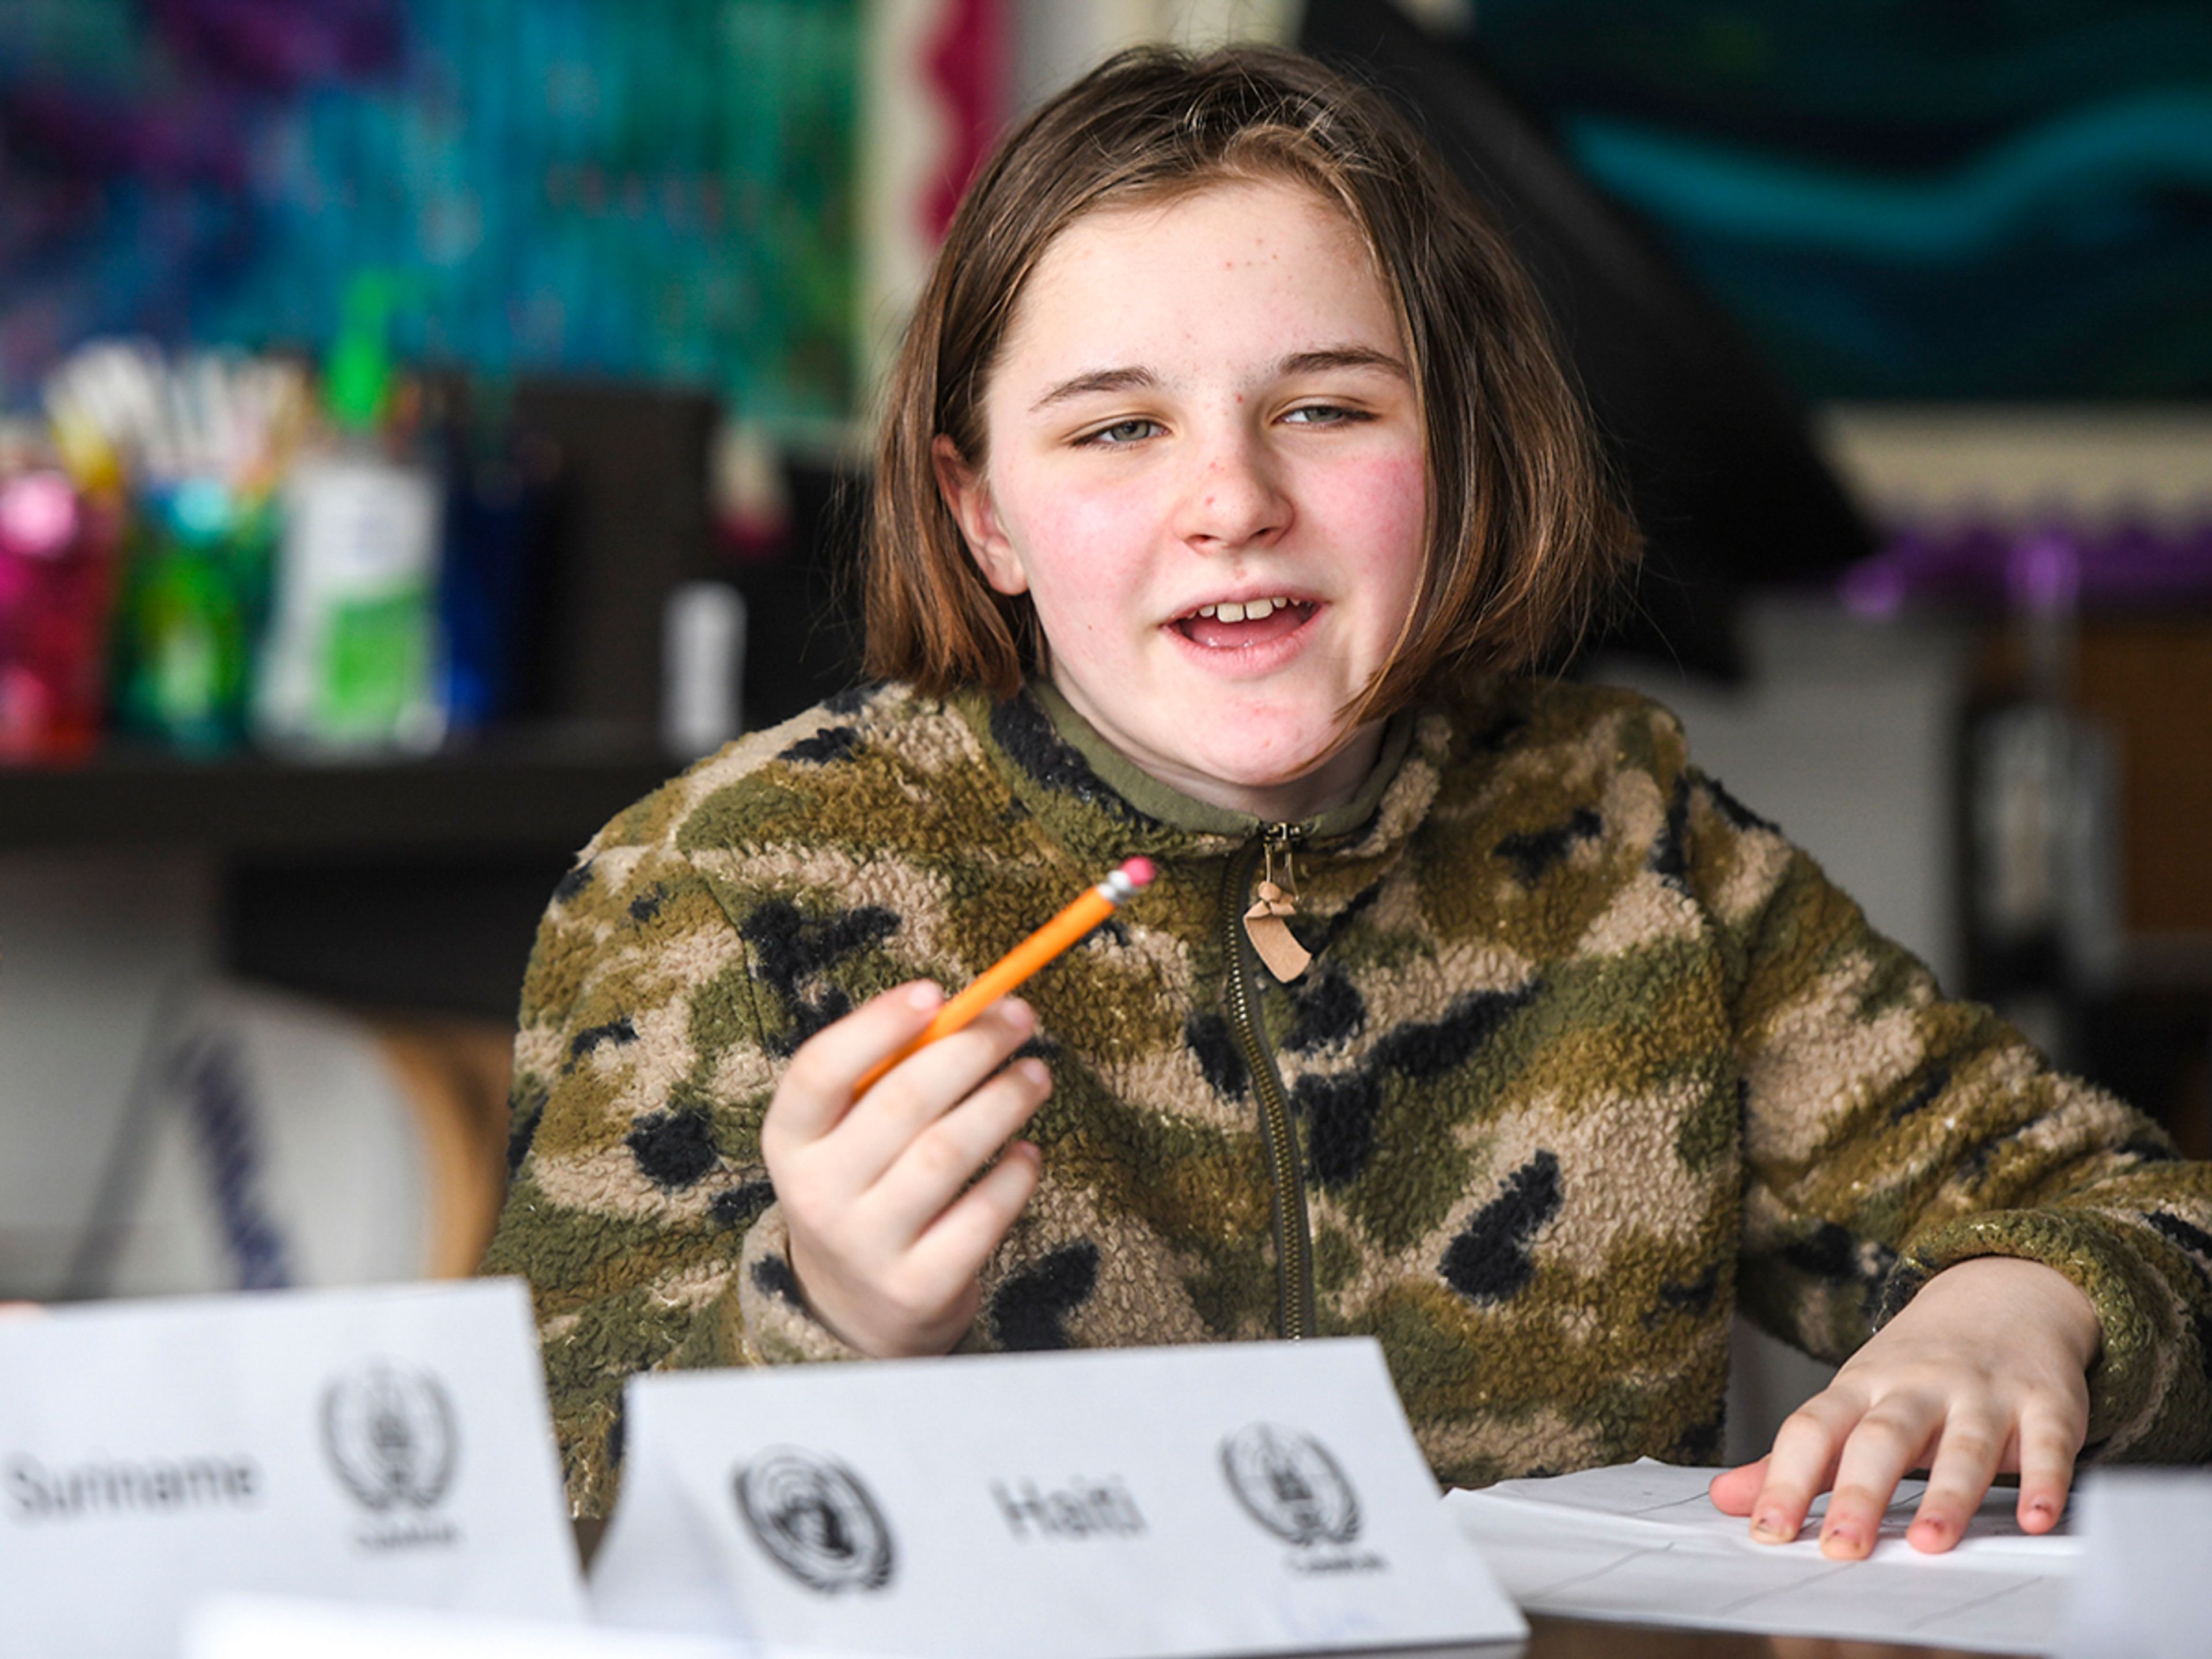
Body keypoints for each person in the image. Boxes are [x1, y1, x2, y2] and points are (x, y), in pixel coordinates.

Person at [483, 44, 2212, 1555]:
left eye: (1323, 406)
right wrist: (823, 1320)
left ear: (1457, 454)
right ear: (983, 511)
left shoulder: (1629, 837)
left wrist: (2023, 1307)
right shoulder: (712, 887)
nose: (1232, 500)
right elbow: (524, 1525)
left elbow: (2149, 1215)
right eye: (1114, 430)